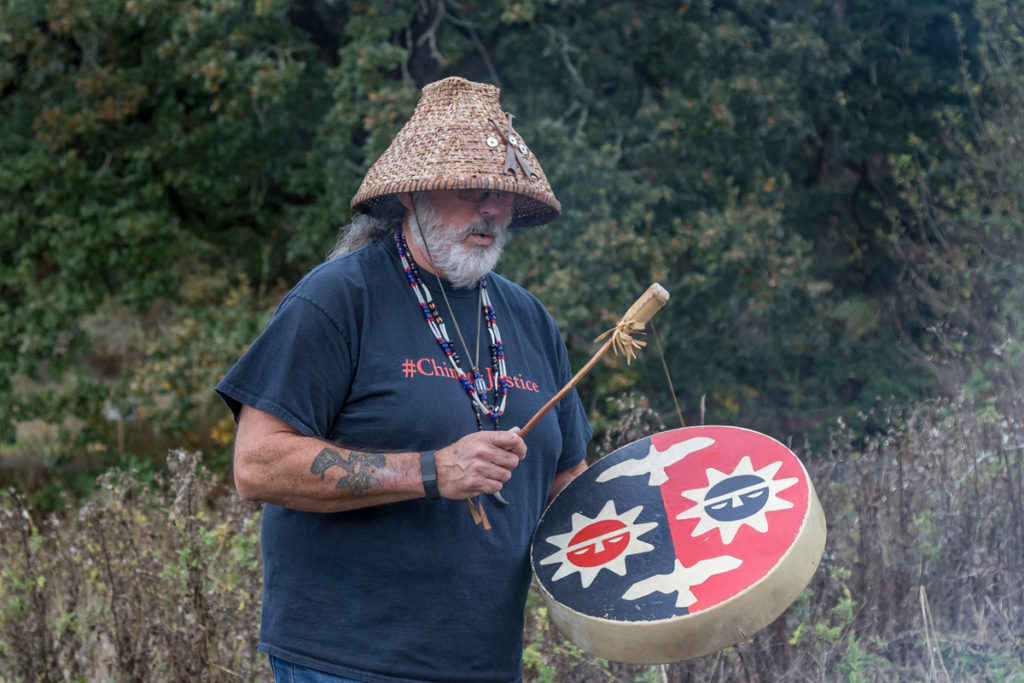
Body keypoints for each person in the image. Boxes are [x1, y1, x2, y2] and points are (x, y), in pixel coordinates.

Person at [216, 76, 592, 683]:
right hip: (348, 662)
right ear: (413, 195)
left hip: (487, 664)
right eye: (470, 190)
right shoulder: (337, 300)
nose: (491, 208)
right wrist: (432, 471)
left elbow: (566, 482)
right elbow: (257, 465)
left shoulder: (529, 319)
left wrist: (657, 542)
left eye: (501, 193)